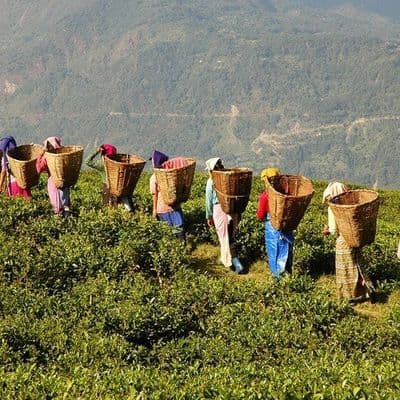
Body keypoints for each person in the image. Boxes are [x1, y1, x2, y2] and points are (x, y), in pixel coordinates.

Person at [322, 182, 374, 302]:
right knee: (358, 266)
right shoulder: (353, 205)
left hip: (344, 242)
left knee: (346, 270)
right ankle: (368, 289)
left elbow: (333, 230)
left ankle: (349, 297)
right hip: (355, 240)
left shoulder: (334, 208)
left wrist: (326, 231)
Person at [205, 157, 244, 274]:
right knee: (231, 237)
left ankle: (234, 264)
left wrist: (209, 216)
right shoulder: (229, 179)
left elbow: (208, 200)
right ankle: (227, 260)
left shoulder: (211, 181)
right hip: (233, 211)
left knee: (224, 238)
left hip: (219, 210)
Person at [256, 168, 294, 279]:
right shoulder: (286, 194)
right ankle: (288, 278)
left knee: (274, 253)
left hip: (272, 228)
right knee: (286, 251)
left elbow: (260, 214)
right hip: (287, 227)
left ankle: (278, 279)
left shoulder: (265, 196)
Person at [150, 150, 186, 241]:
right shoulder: (171, 174)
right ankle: (182, 248)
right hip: (175, 206)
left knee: (168, 231)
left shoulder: (154, 177)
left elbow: (154, 195)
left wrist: (154, 210)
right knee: (178, 228)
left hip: (162, 209)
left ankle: (173, 251)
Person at [86, 144, 134, 212]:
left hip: (107, 188)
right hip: (121, 188)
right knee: (125, 208)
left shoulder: (102, 165)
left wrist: (96, 152)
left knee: (108, 209)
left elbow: (87, 161)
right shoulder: (119, 164)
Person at [36, 136, 72, 217]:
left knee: (58, 202)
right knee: (64, 201)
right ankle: (65, 217)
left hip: (54, 181)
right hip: (64, 180)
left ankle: (60, 216)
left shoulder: (47, 156)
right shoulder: (64, 154)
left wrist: (40, 156)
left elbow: (39, 168)